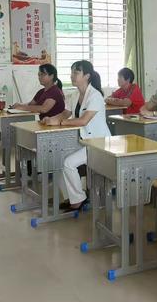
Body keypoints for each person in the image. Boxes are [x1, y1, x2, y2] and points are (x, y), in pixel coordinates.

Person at [42, 60, 110, 211]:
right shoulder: (74, 95)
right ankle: (72, 197)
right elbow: (65, 113)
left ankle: (78, 199)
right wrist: (51, 120)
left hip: (99, 143)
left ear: (87, 76)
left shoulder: (95, 96)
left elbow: (84, 120)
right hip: (84, 141)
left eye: (76, 72)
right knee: (58, 160)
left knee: (68, 163)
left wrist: (60, 123)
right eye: (71, 72)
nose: (72, 75)